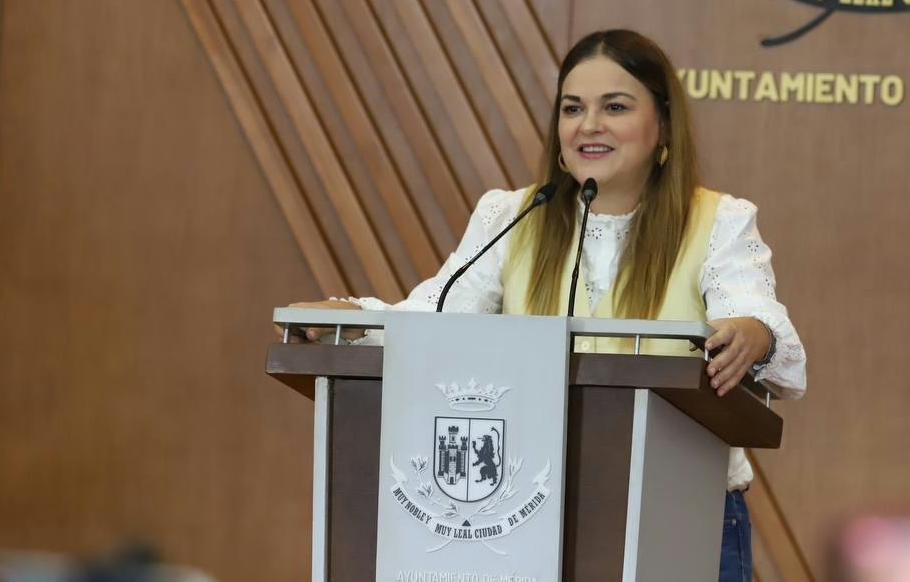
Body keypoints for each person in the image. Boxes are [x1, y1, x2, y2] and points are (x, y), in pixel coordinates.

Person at [287, 29, 806, 582]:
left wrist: (754, 334)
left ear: (664, 125)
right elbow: (434, 317)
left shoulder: (718, 222)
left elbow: (763, 328)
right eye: (573, 108)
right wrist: (352, 323)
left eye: (615, 107)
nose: (589, 125)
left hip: (686, 516)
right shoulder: (513, 216)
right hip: (534, 520)